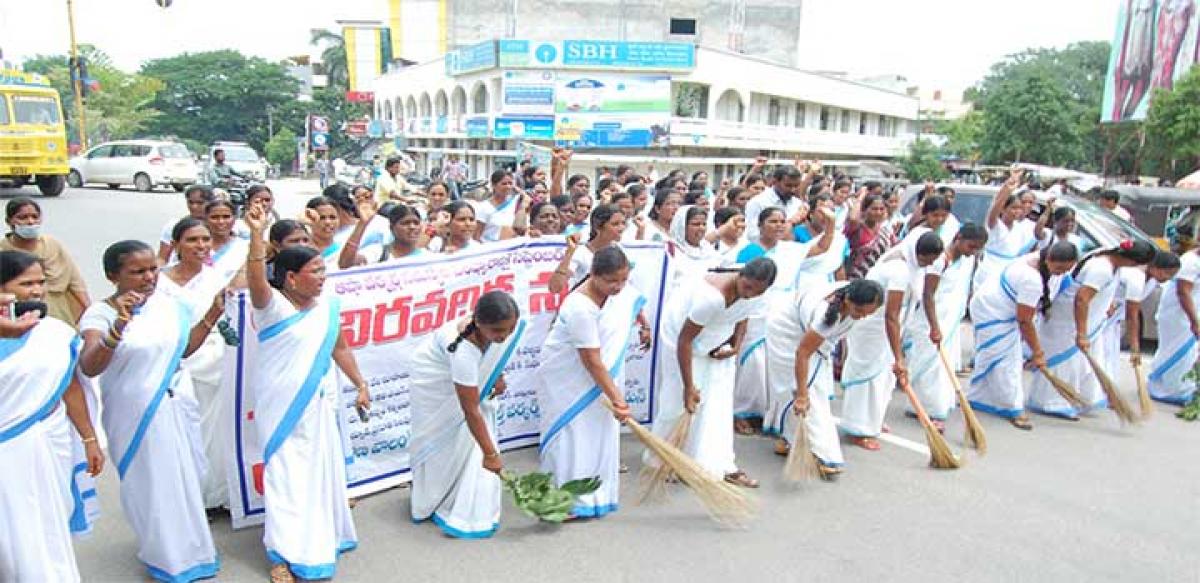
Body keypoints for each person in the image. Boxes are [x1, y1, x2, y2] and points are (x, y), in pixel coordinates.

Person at [78, 240, 223, 582]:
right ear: (113, 276)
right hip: (136, 414)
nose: (148, 278)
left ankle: (195, 552)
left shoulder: (170, 306)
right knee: (154, 484)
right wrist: (118, 329)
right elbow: (90, 365)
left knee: (185, 480)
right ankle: (167, 558)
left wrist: (213, 314)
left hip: (176, 405)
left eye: (152, 269)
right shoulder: (101, 314)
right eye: (137, 272)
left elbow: (184, 348)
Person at [243, 203, 369, 581]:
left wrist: (359, 383)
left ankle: (319, 534)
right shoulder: (273, 307)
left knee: (316, 472)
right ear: (291, 278)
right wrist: (255, 234)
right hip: (282, 408)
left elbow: (340, 348)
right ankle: (281, 553)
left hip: (319, 406)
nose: (322, 279)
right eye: (315, 272)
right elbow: (255, 279)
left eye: (323, 271)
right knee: (284, 477)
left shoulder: (327, 307)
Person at [0, 251, 105, 582]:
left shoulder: (55, 334)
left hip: (51, 439)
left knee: (49, 522)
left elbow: (69, 387)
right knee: (14, 532)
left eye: (41, 283)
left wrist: (89, 438)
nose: (36, 291)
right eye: (25, 283)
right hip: (8, 450)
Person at [648, 258, 776, 487]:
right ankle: (665, 459)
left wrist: (735, 346)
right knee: (679, 402)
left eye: (757, 291)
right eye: (747, 288)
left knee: (717, 402)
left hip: (718, 339)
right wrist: (689, 387)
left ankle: (716, 462)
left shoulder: (755, 295)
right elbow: (685, 340)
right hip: (682, 340)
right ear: (741, 277)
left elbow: (743, 315)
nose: (749, 294)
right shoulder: (711, 298)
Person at [410, 291, 524, 538]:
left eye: (509, 328)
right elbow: (469, 409)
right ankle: (437, 497)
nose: (503, 336)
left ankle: (466, 494)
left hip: (465, 385)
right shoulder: (464, 352)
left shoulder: (491, 332)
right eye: (497, 331)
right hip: (434, 384)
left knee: (470, 437)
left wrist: (497, 376)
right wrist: (490, 453)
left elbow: (494, 356)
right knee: (452, 439)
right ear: (479, 323)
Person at [537, 246, 639, 519]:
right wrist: (617, 399)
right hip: (567, 379)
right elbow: (591, 360)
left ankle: (594, 496)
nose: (618, 287)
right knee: (570, 436)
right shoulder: (581, 308)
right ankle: (562, 500)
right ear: (593, 275)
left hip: (595, 376)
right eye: (611, 281)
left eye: (622, 280)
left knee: (596, 433)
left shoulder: (613, 296)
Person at [765, 279, 885, 478]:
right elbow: (802, 353)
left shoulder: (849, 302)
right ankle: (822, 453)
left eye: (868, 313)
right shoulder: (826, 315)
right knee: (803, 390)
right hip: (786, 331)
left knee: (812, 388)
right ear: (848, 300)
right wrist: (802, 395)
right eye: (859, 310)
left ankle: (791, 439)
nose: (862, 317)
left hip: (812, 339)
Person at [157, 218, 237, 510]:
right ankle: (183, 498)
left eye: (205, 240)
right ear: (176, 244)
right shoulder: (158, 282)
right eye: (192, 240)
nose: (201, 246)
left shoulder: (217, 280)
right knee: (180, 433)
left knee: (214, 433)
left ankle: (214, 496)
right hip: (173, 365)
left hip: (213, 361)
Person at [735, 207, 836, 436]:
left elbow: (821, 247)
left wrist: (830, 225)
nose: (779, 225)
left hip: (782, 313)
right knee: (754, 364)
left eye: (782, 221)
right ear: (760, 225)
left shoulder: (790, 250)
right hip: (755, 309)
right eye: (773, 221)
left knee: (777, 367)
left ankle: (769, 413)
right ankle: (742, 412)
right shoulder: (749, 251)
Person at [1027, 241, 1156, 419]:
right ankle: (1052, 402)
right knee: (1066, 363)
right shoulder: (1101, 268)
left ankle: (1078, 399)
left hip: (1088, 320)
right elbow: (1081, 299)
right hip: (1069, 321)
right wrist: (1081, 333)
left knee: (1082, 365)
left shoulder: (1111, 263)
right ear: (1131, 260)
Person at [839, 232, 944, 449]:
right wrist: (899, 356)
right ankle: (857, 428)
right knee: (869, 377)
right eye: (926, 260)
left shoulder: (914, 266)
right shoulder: (900, 270)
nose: (928, 265)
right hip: (874, 327)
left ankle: (872, 420)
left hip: (890, 327)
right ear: (918, 253)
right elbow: (891, 315)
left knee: (884, 377)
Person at [966, 242, 1080, 429]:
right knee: (1007, 361)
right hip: (992, 310)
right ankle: (1013, 408)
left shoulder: (1040, 261)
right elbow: (1025, 320)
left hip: (1003, 309)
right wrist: (1037, 352)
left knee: (996, 355)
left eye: (1066, 270)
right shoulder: (1032, 279)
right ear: (1049, 260)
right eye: (1059, 269)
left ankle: (981, 397)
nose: (1061, 274)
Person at [903, 224, 988, 426]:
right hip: (932, 318)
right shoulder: (940, 261)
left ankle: (931, 406)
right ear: (958, 237)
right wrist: (934, 326)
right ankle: (931, 410)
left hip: (949, 318)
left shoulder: (966, 261)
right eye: (971, 246)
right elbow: (928, 294)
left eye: (977, 248)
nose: (972, 252)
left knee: (942, 366)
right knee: (930, 366)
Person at [1, 198, 91, 324]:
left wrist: (89, 312)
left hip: (59, 315)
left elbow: (75, 282)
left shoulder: (52, 246)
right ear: (9, 221)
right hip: (17, 318)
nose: (30, 222)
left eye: (35, 217)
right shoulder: (3, 251)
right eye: (23, 217)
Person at [1106, 252, 1180, 392]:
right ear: (1155, 267)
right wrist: (1135, 348)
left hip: (1114, 318)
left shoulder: (1152, 282)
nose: (1168, 278)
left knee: (1110, 357)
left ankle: (1106, 392)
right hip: (1104, 314)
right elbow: (1132, 316)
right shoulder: (1136, 277)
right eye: (1167, 273)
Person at [1149, 247, 1200, 405]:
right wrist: (1194, 321)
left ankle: (1181, 387)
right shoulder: (1190, 262)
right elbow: (1183, 292)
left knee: (1188, 355)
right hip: (1179, 315)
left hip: (1191, 313)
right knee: (1177, 353)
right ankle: (1170, 389)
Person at [976, 170, 1036, 288]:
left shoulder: (1020, 228)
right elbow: (995, 206)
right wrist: (1007, 189)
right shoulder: (995, 225)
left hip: (1007, 273)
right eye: (1013, 208)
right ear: (1003, 209)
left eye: (1019, 208)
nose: (1017, 211)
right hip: (989, 271)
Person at [340, 200, 426, 267]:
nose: (412, 227)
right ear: (392, 227)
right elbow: (345, 264)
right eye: (405, 223)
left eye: (416, 223)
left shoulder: (427, 257)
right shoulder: (378, 252)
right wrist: (362, 224)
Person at [744, 165, 816, 242]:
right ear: (775, 182)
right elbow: (752, 235)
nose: (793, 190)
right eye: (788, 185)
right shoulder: (758, 202)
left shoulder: (798, 204)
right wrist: (790, 223)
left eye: (796, 186)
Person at [158, 185, 217, 265]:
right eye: (191, 202)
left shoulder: (220, 227)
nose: (194, 206)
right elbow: (162, 258)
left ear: (211, 203)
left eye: (200, 203)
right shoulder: (173, 225)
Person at [845, 193, 897, 280]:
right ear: (865, 210)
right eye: (874, 209)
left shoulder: (884, 231)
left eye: (881, 209)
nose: (878, 212)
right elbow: (853, 218)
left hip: (877, 276)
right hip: (856, 276)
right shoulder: (858, 227)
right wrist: (861, 197)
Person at [475, 170, 526, 242]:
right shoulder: (483, 207)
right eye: (504, 184)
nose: (508, 186)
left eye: (510, 183)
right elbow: (476, 236)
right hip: (490, 249)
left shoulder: (515, 203)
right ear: (493, 185)